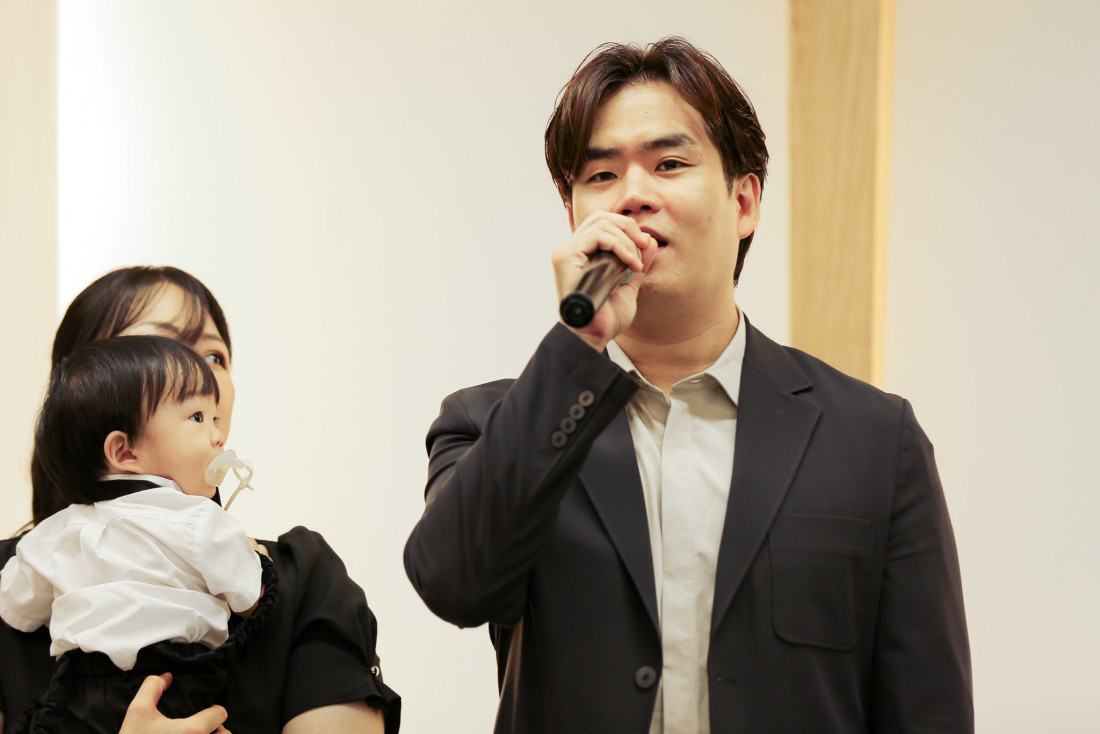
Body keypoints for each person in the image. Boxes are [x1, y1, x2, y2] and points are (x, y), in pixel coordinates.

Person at [405, 37, 972, 733]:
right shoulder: (494, 423)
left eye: (669, 164)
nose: (634, 196)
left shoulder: (876, 440)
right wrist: (578, 341)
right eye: (602, 175)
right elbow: (452, 583)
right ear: (575, 219)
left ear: (745, 202)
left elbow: (927, 707)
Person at [1, 266, 400, 734]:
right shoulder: (23, 565)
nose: (200, 374)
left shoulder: (306, 580)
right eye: (157, 346)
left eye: (214, 356)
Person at [1, 335, 271, 733]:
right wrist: (258, 559)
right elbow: (251, 598)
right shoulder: (200, 519)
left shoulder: (55, 533)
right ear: (124, 452)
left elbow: (16, 608)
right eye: (198, 417)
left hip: (79, 691)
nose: (218, 437)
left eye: (216, 419)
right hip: (173, 684)